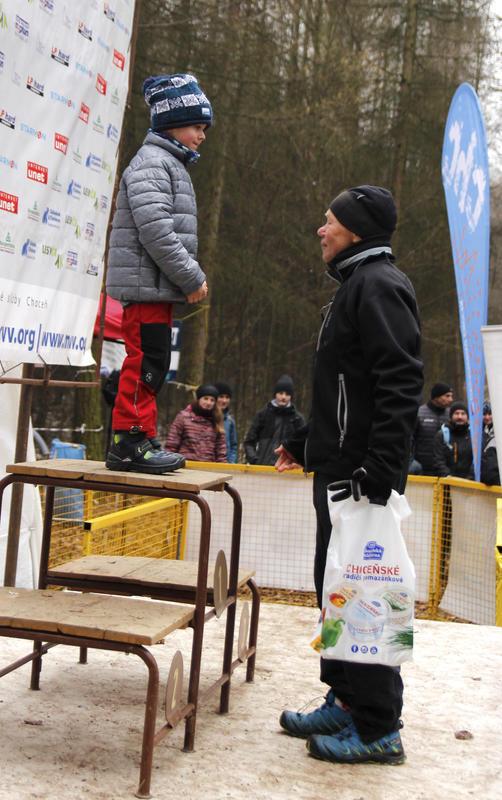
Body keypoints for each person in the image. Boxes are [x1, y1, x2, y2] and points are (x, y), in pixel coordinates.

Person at [275, 185, 423, 764]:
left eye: (329, 220)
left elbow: (399, 383)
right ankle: (344, 698)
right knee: (336, 588)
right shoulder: (353, 285)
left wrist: (381, 466)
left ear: (356, 230)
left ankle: (379, 725)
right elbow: (345, 392)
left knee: (368, 595)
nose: (321, 229)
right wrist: (304, 443)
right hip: (340, 470)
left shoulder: (379, 285)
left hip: (364, 478)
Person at [105, 73, 212, 473]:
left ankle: (143, 434)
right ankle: (128, 441)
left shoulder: (168, 163)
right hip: (145, 288)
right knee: (145, 362)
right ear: (171, 123)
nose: (201, 136)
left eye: (204, 128)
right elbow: (157, 231)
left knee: (155, 362)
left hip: (155, 288)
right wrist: (191, 277)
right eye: (196, 126)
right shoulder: (152, 163)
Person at [244, 375, 305, 466]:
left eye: (287, 394)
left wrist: (296, 462)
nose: (283, 397)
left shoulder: (297, 419)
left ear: (291, 396)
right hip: (262, 468)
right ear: (275, 394)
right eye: (281, 393)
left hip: (287, 469)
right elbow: (249, 441)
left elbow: (303, 444)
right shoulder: (262, 415)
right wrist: (254, 460)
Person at [166, 385, 227, 462]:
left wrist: (222, 466)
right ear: (198, 399)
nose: (208, 402)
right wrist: (169, 462)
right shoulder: (183, 417)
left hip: (208, 466)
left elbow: (221, 450)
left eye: (212, 400)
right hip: (185, 464)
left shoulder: (216, 420)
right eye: (205, 399)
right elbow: (172, 444)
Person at [412, 383, 453, 475]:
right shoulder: (419, 413)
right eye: (447, 396)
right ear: (436, 397)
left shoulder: (451, 415)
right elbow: (411, 439)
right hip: (422, 468)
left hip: (445, 470)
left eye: (451, 396)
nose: (451, 399)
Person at [432, 401, 473, 479]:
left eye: (463, 414)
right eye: (456, 413)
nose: (460, 417)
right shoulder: (442, 435)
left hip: (470, 483)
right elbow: (438, 460)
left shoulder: (474, 436)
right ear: (451, 416)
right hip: (446, 481)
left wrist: (470, 478)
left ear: (467, 417)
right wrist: (449, 477)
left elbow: (478, 461)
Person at [215, 381, 238, 463]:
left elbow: (233, 445)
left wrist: (231, 462)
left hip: (225, 464)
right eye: (221, 397)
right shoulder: (206, 417)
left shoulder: (230, 421)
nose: (224, 401)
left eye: (227, 397)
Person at [481, 401, 500, 485]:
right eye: (484, 414)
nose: (487, 417)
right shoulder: (476, 431)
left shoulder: (498, 430)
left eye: (490, 414)